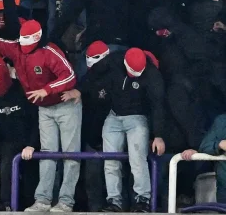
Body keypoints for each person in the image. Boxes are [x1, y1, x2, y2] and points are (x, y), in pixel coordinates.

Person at [0, 14, 81, 212]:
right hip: (43, 108)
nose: (23, 44)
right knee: (46, 155)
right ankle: (43, 200)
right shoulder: (15, 48)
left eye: (27, 40)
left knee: (70, 156)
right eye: (22, 39)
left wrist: (47, 89)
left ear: (37, 38)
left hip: (64, 105)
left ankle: (66, 201)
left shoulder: (50, 51)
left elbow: (69, 75)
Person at [62, 44, 166, 212]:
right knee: (110, 160)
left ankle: (142, 200)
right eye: (132, 71)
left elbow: (158, 105)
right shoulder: (115, 59)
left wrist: (158, 135)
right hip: (114, 115)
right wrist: (80, 90)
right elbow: (94, 73)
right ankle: (114, 201)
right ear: (125, 63)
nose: (135, 75)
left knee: (137, 159)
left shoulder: (152, 74)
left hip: (137, 118)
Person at [0, 61, 39, 211]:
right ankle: (6, 203)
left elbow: (36, 119)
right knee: (5, 167)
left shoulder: (24, 91)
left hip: (28, 141)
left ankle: (29, 206)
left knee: (30, 180)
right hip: (6, 142)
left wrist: (32, 144)